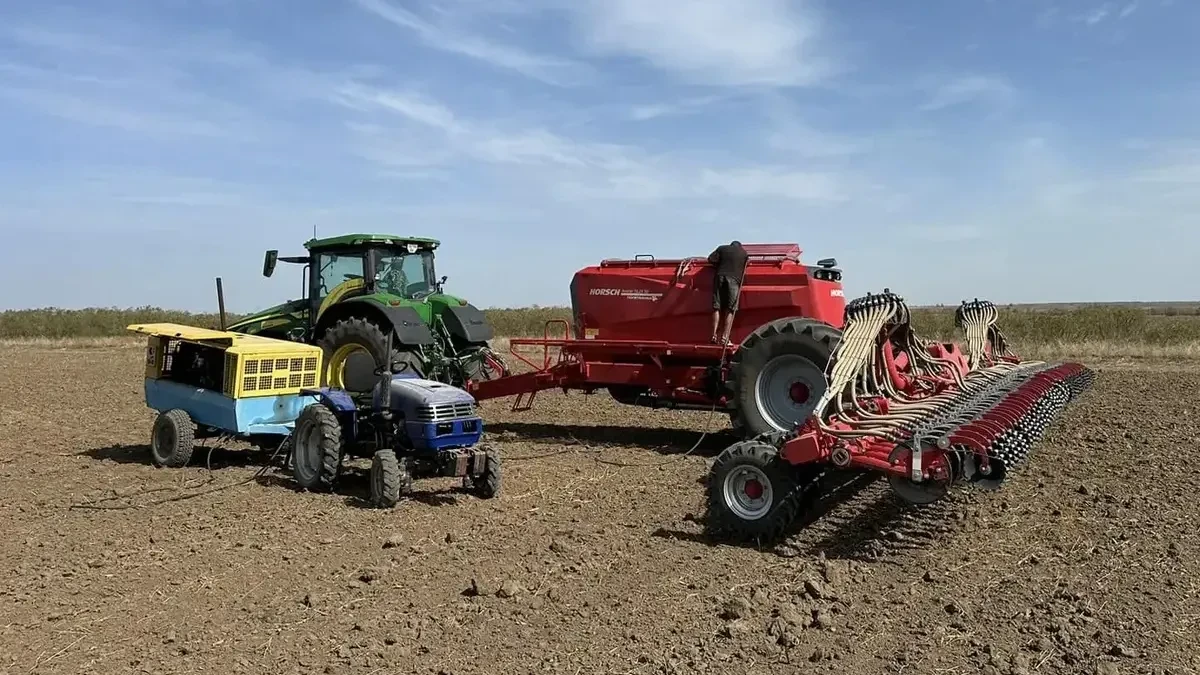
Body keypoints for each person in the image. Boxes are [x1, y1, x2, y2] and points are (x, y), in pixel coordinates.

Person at [707, 240, 748, 344]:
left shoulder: (722, 248)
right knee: (730, 309)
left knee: (717, 306)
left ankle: (713, 335)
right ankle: (725, 338)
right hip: (734, 280)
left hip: (720, 277)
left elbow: (710, 259)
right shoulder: (744, 253)